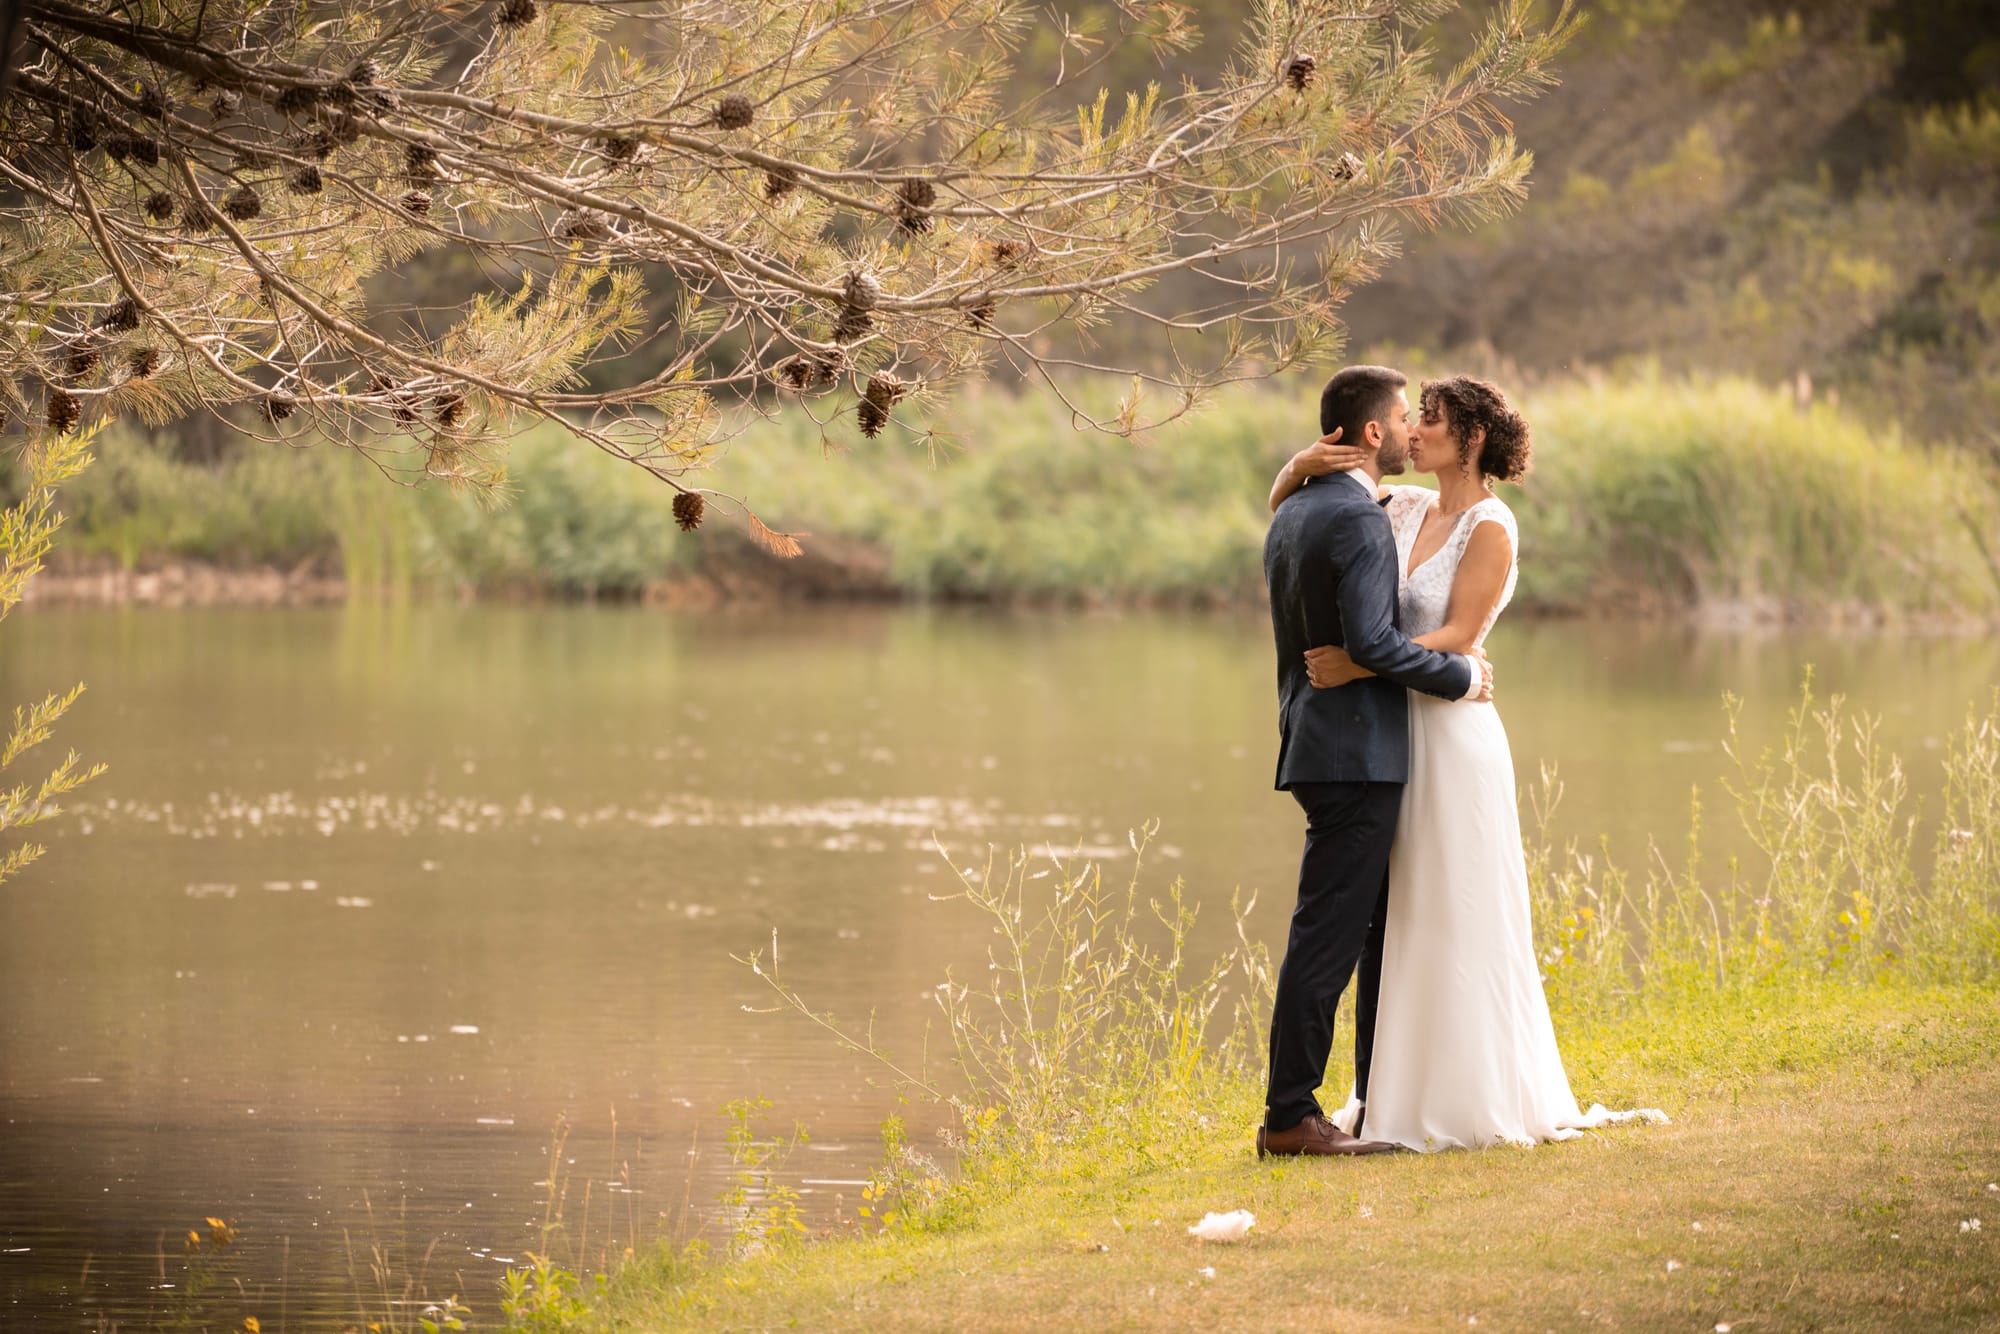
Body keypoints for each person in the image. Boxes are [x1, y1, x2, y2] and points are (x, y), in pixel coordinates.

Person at [1270, 373, 1664, 1149]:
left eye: (1433, 418)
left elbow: (1458, 637)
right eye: (1412, 415)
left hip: (1451, 733)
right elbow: (1314, 525)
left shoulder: (1490, 524)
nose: (1415, 428)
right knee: (1395, 919)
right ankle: (1387, 1094)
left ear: (1471, 437)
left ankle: (1461, 1090)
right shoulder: (1402, 506)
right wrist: (1295, 468)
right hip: (1392, 733)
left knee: (1454, 910)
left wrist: (1360, 665)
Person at [1257, 365, 1493, 1158]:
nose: (1409, 428)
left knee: (1366, 935)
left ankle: (1372, 1100)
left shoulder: (1295, 511)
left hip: (1321, 742)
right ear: (1370, 435)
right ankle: (1290, 1117)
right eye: (1401, 417)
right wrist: (1463, 676)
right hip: (1355, 752)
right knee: (1330, 937)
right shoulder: (1357, 519)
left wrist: (1294, 465)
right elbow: (1372, 644)